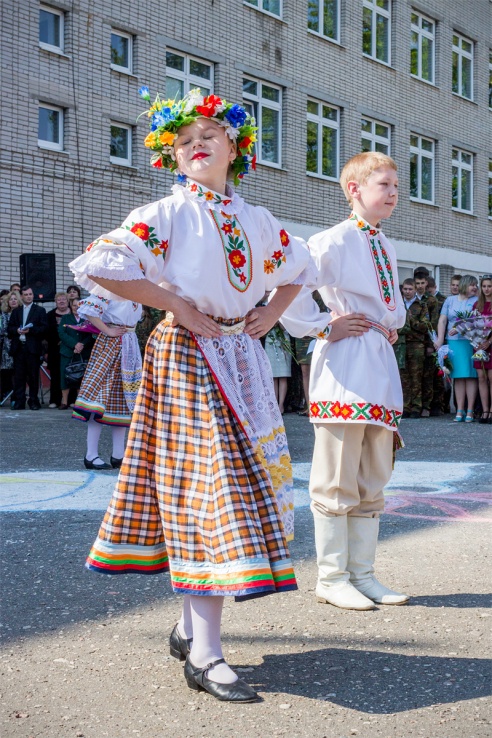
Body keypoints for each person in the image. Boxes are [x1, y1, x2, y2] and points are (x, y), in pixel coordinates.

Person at [68, 87, 320, 703]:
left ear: (235, 148)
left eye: (209, 134)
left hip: (241, 355)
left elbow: (301, 269)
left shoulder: (257, 220)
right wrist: (174, 302)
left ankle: (189, 629)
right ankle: (205, 653)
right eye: (183, 140)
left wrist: (267, 315)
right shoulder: (167, 212)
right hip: (186, 354)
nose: (197, 143)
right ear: (173, 157)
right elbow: (99, 265)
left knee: (244, 483)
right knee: (209, 489)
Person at [281, 151, 409, 611]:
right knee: (336, 474)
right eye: (384, 185)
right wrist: (321, 326)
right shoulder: (332, 240)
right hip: (346, 361)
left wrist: (391, 321)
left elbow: (391, 302)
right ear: (354, 189)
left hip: (377, 360)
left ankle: (364, 574)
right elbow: (291, 285)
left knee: (373, 472)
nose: (394, 193)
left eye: (396, 185)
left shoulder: (386, 243)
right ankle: (332, 576)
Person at [71, 296, 142, 469]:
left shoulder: (135, 291)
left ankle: (119, 454)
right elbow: (87, 310)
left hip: (129, 344)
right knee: (99, 400)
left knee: (123, 401)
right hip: (111, 345)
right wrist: (108, 330)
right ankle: (91, 455)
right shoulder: (110, 288)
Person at [435, 275, 478, 422]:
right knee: (458, 376)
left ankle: (470, 410)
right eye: (472, 285)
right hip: (453, 342)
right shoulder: (450, 300)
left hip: (470, 342)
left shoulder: (476, 301)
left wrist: (462, 327)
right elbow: (442, 320)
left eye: (476, 285)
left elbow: (477, 320)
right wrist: (440, 339)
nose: (475, 287)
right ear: (465, 285)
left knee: (471, 375)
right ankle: (459, 410)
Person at [7, 286, 48, 410]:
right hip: (19, 348)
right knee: (19, 376)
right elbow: (10, 328)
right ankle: (20, 401)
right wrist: (17, 330)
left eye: (30, 294)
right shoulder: (16, 311)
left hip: (32, 348)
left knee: (33, 376)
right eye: (26, 294)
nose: (28, 296)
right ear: (22, 296)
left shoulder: (40, 310)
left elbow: (44, 328)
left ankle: (33, 401)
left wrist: (31, 330)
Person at [400, 278, 430, 418]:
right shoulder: (398, 304)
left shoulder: (421, 305)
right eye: (405, 289)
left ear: (414, 290)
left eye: (410, 289)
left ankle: (417, 407)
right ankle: (405, 406)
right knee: (403, 376)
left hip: (416, 344)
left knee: (416, 376)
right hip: (400, 343)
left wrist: (410, 319)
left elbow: (425, 327)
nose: (407, 292)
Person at [58, 297, 95, 409]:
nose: (77, 308)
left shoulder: (88, 319)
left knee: (81, 377)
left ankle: (80, 403)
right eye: (74, 305)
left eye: (79, 306)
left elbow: (91, 334)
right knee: (65, 377)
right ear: (71, 306)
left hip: (83, 352)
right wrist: (75, 344)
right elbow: (61, 333)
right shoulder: (65, 318)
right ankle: (64, 402)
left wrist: (81, 345)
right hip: (67, 352)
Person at [414, 270, 439, 417]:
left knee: (428, 376)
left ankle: (427, 406)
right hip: (414, 341)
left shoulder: (431, 300)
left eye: (422, 283)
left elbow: (434, 323)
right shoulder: (410, 298)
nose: (420, 286)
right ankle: (413, 405)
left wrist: (431, 344)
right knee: (415, 376)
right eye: (417, 283)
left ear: (427, 283)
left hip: (427, 340)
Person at [46, 292, 72, 408]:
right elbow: (46, 333)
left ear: (68, 301)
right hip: (54, 349)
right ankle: (54, 400)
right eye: (59, 300)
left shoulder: (73, 314)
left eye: (64, 300)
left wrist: (66, 341)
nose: (61, 302)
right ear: (55, 302)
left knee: (71, 374)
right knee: (56, 375)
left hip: (70, 349)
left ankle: (71, 400)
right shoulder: (49, 315)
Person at [473, 275, 492, 424]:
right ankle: (484, 410)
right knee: (481, 377)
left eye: (489, 286)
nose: (486, 289)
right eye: (484, 286)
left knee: (491, 378)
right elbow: (471, 325)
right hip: (479, 345)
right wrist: (476, 339)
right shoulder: (477, 305)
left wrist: (489, 341)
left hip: (490, 344)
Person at [264, 315, 292, 414]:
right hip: (270, 341)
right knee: (273, 376)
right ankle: (274, 405)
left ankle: (281, 405)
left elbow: (289, 326)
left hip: (284, 341)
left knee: (283, 376)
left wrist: (280, 323)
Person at [0, 290, 21, 400]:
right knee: (7, 372)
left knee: (18, 372)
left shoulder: (23, 313)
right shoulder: (4, 314)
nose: (13, 301)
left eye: (15, 299)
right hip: (7, 346)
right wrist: (16, 331)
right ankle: (4, 394)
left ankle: (16, 397)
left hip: (21, 345)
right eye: (11, 299)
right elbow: (3, 330)